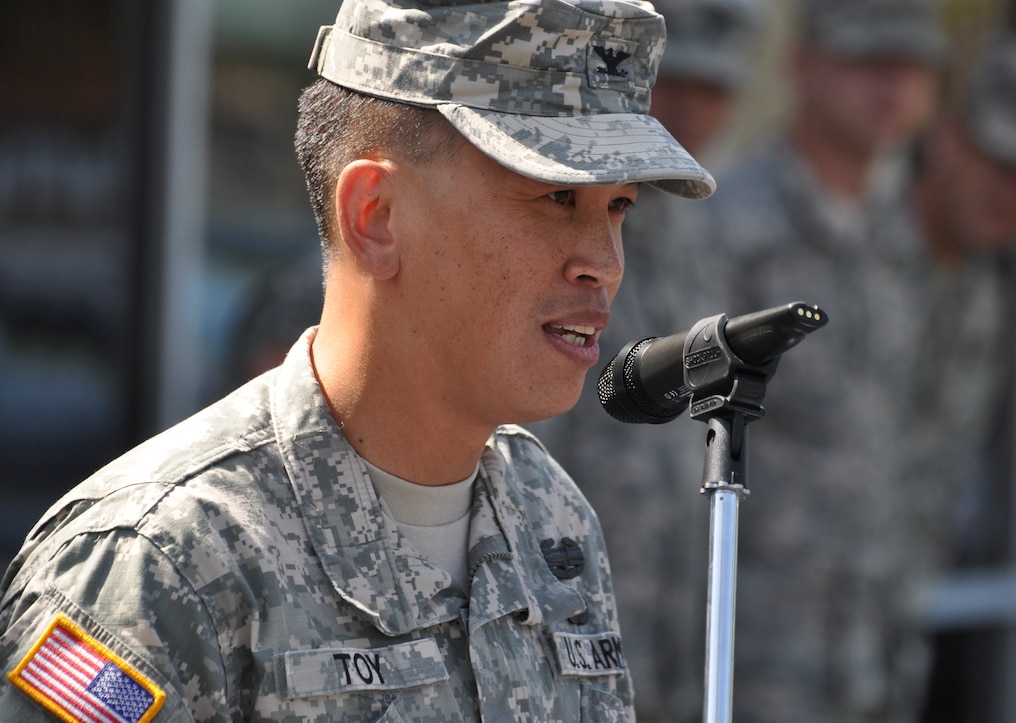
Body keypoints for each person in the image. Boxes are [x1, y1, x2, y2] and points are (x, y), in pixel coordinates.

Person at [0, 0, 715, 720]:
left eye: (619, 206)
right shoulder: (159, 564)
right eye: (558, 196)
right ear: (376, 216)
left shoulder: (550, 517)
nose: (603, 263)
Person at [695, 0, 947, 721]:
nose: (890, 88)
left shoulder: (897, 238)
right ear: (803, 67)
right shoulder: (732, 226)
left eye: (910, 67)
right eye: (867, 63)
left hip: (870, 646)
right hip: (755, 645)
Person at [526, 1, 764, 720]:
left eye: (717, 90)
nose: (693, 108)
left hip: (667, 635)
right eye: (676, 81)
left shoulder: (701, 232)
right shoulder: (550, 224)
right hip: (558, 625)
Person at [895, 35, 1016, 600]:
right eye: (999, 162)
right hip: (747, 651)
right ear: (948, 137)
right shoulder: (835, 253)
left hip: (885, 653)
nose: (1011, 194)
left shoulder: (984, 302)